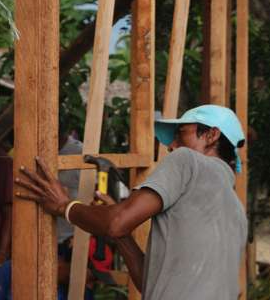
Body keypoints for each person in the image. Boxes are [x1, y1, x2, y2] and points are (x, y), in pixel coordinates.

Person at [15, 104, 248, 300]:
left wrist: (63, 206)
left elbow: (116, 222)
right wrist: (121, 235)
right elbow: (152, 284)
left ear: (211, 135)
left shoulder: (188, 161)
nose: (172, 145)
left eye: (181, 133)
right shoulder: (238, 212)